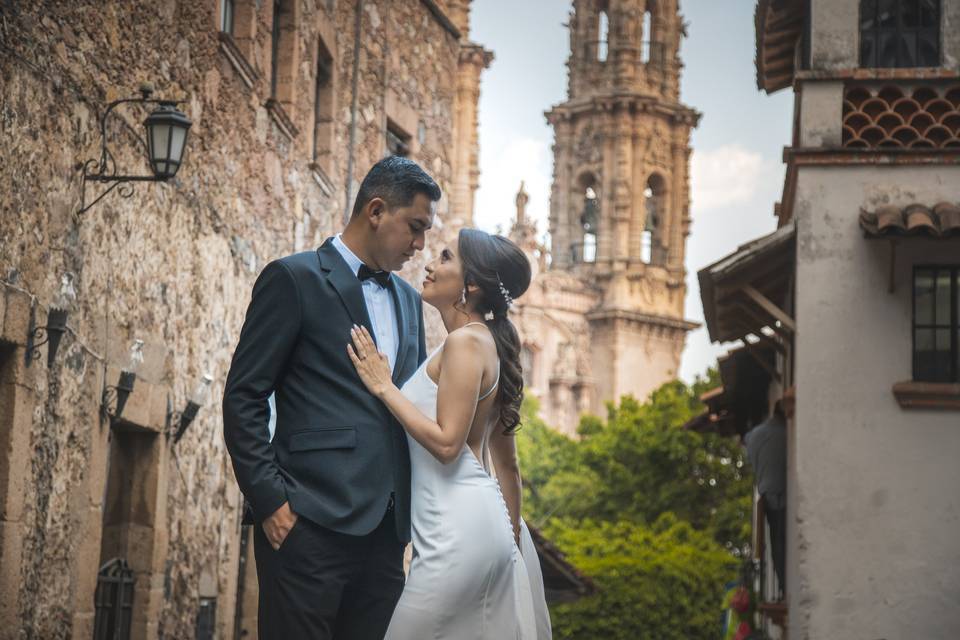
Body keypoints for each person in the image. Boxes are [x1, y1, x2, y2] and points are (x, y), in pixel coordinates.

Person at [222, 156, 440, 639]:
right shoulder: (293, 279)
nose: (421, 244)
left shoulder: (408, 301)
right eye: (416, 227)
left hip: (386, 537)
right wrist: (269, 501)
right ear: (377, 210)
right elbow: (245, 395)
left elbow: (407, 407)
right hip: (307, 525)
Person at [348, 228, 552, 639]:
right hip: (477, 526)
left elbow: (446, 443)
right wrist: (507, 545)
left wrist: (384, 386)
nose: (429, 264)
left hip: (454, 532)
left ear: (471, 284)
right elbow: (508, 469)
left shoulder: (465, 344)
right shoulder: (483, 343)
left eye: (444, 258)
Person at [744, 400, 787, 596]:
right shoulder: (784, 432)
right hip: (781, 494)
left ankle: (782, 584)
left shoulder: (754, 436)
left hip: (766, 493)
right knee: (780, 540)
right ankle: (785, 585)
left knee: (775, 542)